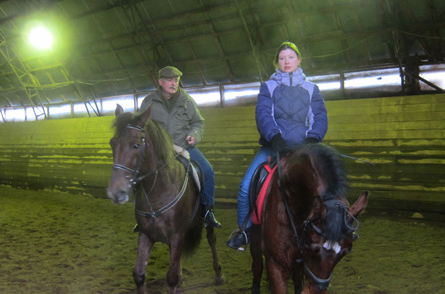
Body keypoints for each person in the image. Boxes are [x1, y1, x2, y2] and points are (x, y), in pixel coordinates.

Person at [227, 41, 328, 250]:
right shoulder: (268, 87)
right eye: (282, 58)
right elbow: (263, 114)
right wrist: (275, 138)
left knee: (326, 184)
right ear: (277, 62)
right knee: (245, 186)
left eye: (290, 57)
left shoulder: (312, 89)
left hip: (303, 149)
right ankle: (245, 231)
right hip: (274, 147)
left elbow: (320, 116)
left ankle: (332, 227)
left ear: (298, 60)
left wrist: (312, 139)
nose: (286, 61)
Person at [140, 66, 222, 229]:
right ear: (160, 82)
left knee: (207, 170)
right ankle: (141, 213)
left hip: (184, 147)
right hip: (158, 150)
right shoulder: (149, 102)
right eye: (169, 80)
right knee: (138, 171)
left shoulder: (186, 100)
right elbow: (142, 125)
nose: (174, 83)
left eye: (176, 80)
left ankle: (207, 210)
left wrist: (194, 135)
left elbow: (198, 122)